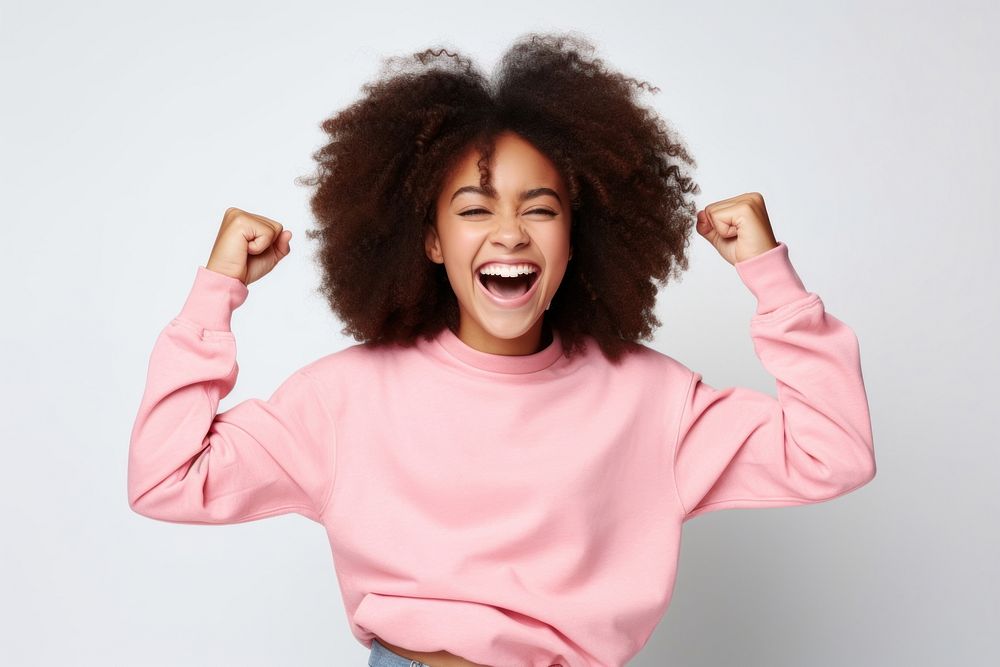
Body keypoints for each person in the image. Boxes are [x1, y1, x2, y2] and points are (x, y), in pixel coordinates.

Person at [127, 32, 876, 667]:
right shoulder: (343, 397)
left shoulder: (651, 397)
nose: (511, 233)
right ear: (429, 239)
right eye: (475, 208)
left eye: (540, 208)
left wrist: (770, 278)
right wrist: (217, 290)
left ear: (576, 238)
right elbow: (165, 477)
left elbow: (832, 452)